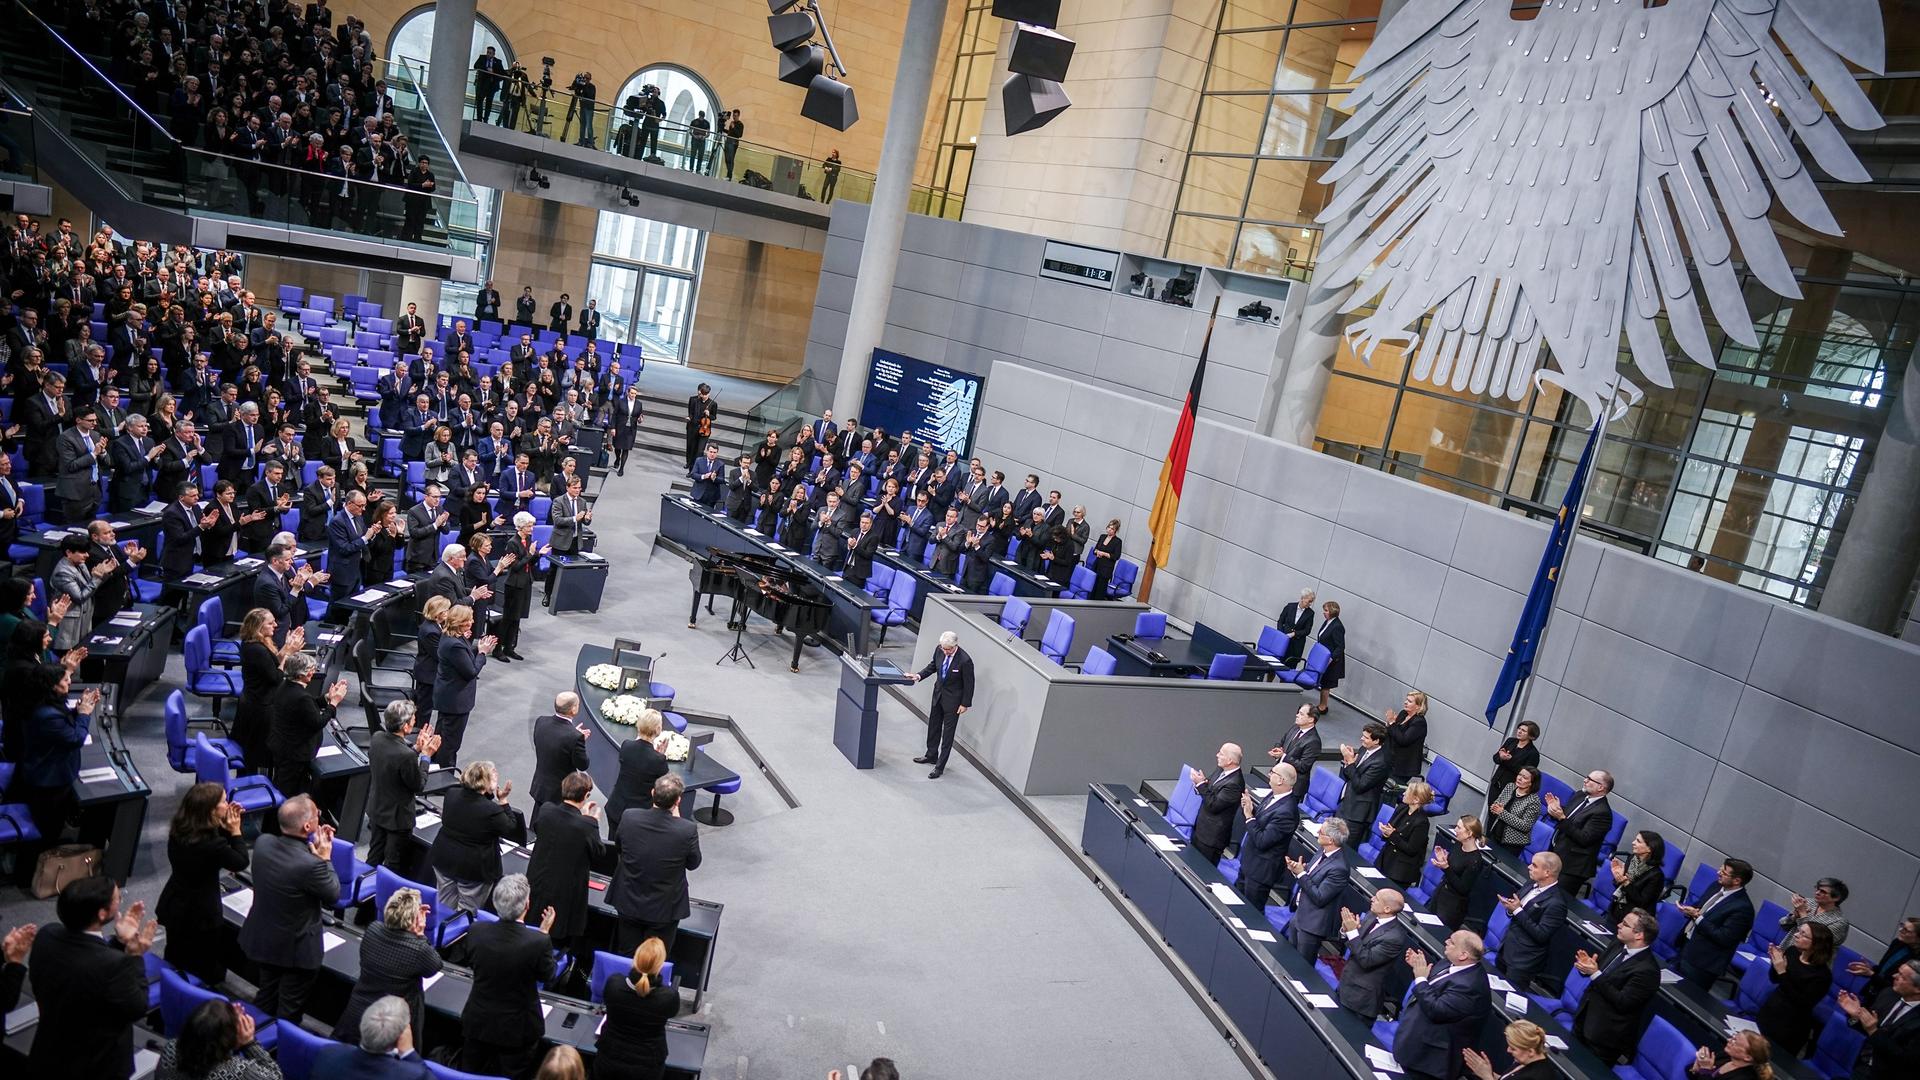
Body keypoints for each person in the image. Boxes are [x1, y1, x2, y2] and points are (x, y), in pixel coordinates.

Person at [27, 876, 155, 1079]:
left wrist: (119, 944)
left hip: (48, 1052)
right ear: (103, 913)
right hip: (96, 1066)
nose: (120, 899)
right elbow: (138, 1006)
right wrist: (135, 955)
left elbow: (87, 964)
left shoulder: (46, 934)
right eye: (117, 898)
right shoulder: (115, 966)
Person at [239, 796, 339, 1020]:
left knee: (265, 995)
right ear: (308, 826)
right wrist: (325, 859)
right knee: (289, 1010)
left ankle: (253, 1040)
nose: (319, 815)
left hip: (264, 939)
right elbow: (333, 894)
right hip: (296, 950)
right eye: (316, 814)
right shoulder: (312, 865)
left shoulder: (263, 843)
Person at [461, 873, 557, 1078]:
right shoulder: (538, 942)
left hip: (478, 1022)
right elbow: (548, 975)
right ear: (527, 905)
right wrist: (544, 933)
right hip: (517, 1033)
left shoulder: (476, 931)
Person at [155, 783, 251, 985]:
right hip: (200, 912)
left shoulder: (180, 828)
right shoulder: (211, 845)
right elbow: (240, 861)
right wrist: (235, 831)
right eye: (223, 801)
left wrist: (222, 827)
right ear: (210, 810)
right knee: (203, 963)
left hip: (175, 902)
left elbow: (211, 851)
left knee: (175, 953)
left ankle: (173, 986)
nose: (228, 804)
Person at [331, 887, 443, 1048]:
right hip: (389, 1024)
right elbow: (435, 965)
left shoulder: (373, 929)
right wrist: (420, 934)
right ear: (413, 921)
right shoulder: (419, 949)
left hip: (356, 1013)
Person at [527, 770, 605, 984]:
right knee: (556, 940)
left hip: (537, 883)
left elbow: (540, 828)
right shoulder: (586, 826)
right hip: (565, 895)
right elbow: (599, 855)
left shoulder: (546, 810)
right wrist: (593, 822)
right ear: (586, 795)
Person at [610, 774, 703, 954]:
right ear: (678, 801)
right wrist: (677, 820)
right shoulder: (686, 830)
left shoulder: (629, 817)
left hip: (629, 900)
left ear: (653, 793)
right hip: (664, 909)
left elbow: (619, 847)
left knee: (627, 954)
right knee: (655, 960)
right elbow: (693, 863)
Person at [1394, 929, 1493, 1080]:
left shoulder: (1470, 987)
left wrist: (1420, 978)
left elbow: (1437, 1011)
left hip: (1429, 1060)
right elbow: (1434, 984)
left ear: (1463, 955)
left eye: (1452, 942)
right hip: (1414, 1039)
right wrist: (1418, 967)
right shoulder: (1450, 961)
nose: (1446, 941)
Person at [431, 760, 526, 916]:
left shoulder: (451, 794)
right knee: (466, 914)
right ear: (485, 783)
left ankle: (441, 935)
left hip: (444, 859)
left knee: (444, 905)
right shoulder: (491, 810)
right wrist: (503, 800)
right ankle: (459, 938)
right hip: (473, 870)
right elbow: (511, 829)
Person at [18, 665, 99, 848]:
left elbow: (60, 726)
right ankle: (39, 864)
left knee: (51, 825)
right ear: (52, 685)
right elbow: (75, 738)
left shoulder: (42, 702)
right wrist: (84, 715)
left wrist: (77, 711)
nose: (69, 681)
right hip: (49, 781)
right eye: (64, 679)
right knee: (47, 831)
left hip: (47, 774)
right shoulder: (46, 714)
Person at [1570, 906, 1662, 1063]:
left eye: (1625, 924)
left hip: (1604, 1038)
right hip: (1583, 1019)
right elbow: (1599, 972)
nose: (1619, 925)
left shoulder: (1648, 971)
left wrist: (1595, 974)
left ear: (1639, 935)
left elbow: (1623, 1002)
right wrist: (1587, 968)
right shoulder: (1618, 945)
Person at [594, 936, 681, 1080]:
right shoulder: (669, 997)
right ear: (659, 967)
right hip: (648, 1066)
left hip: (609, 1058)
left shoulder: (614, 984)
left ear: (635, 959)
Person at [367, 701, 439, 868]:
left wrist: (416, 749)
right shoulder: (405, 756)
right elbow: (418, 785)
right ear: (406, 727)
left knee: (374, 856)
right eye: (413, 719)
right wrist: (426, 757)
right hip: (397, 819)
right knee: (393, 863)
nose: (415, 722)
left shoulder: (377, 737)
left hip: (377, 809)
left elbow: (393, 763)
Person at [266, 652, 348, 797]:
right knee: (286, 792)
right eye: (311, 669)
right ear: (302, 674)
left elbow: (308, 707)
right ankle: (279, 818)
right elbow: (318, 722)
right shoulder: (301, 696)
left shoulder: (286, 686)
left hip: (281, 746)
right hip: (294, 753)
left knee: (281, 783)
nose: (312, 672)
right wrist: (334, 703)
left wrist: (327, 697)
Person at [235, 608, 302, 773]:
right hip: (259, 709)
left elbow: (271, 666)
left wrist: (286, 649)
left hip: (256, 701)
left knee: (251, 753)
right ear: (258, 627)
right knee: (252, 754)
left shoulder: (260, 643)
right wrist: (289, 653)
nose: (276, 625)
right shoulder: (255, 649)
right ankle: (248, 788)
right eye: (270, 623)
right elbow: (276, 678)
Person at [1675, 858, 1757, 989]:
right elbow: (1700, 906)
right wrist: (1689, 910)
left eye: (1724, 872)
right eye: (1720, 869)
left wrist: (1698, 917)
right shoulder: (1716, 886)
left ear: (1737, 881)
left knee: (1686, 998)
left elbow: (1724, 937)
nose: (1718, 873)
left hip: (1703, 962)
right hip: (1686, 946)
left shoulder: (1743, 908)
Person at [1756, 920, 1835, 1054]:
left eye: (1803, 934)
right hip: (1770, 1012)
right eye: (1799, 931)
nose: (1796, 935)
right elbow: (1775, 979)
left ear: (1816, 944)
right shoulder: (1792, 951)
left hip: (1790, 1026)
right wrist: (1776, 963)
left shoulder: (1822, 976)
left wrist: (1781, 971)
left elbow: (1801, 1003)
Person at [155, 999, 280, 1080]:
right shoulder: (239, 1072)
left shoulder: (171, 1048)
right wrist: (249, 1044)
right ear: (229, 1041)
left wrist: (228, 1019)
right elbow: (276, 1077)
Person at [1497, 851, 1568, 992]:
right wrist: (1511, 909)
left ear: (1547, 872)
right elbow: (1517, 910)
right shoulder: (1531, 884)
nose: (1529, 867)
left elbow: (1541, 934)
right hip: (1507, 948)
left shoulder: (1556, 904)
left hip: (1523, 961)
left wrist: (1517, 910)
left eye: (1534, 865)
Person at [1838, 958, 1920, 1080]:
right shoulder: (1888, 994)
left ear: (1918, 989)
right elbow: (1868, 1027)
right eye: (1898, 972)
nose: (1894, 976)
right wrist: (1856, 1016)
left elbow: (1906, 1060)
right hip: (1863, 1065)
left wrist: (1874, 1031)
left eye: (1902, 977)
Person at [433, 604, 494, 766]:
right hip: (455, 701)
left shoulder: (453, 637)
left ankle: (434, 766)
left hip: (448, 697)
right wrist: (482, 652)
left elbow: (463, 656)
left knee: (442, 736)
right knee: (450, 743)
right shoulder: (454, 644)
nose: (472, 622)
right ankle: (443, 777)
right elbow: (471, 671)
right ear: (460, 622)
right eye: (469, 620)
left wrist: (476, 648)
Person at [908, 630, 974, 779]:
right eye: (943, 648)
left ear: (955, 646)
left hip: (954, 702)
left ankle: (940, 766)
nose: (945, 652)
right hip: (938, 696)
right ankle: (931, 755)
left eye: (948, 649)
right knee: (933, 726)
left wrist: (965, 703)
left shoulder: (965, 660)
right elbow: (932, 667)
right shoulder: (939, 650)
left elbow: (969, 684)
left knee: (947, 735)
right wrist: (918, 676)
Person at [315, 995, 431, 1079]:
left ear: (362, 1024)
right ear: (401, 1037)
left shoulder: (328, 1052)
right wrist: (408, 1052)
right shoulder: (413, 1075)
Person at [1236, 763, 1300, 913]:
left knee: (1251, 913)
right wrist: (1251, 808)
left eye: (1273, 772)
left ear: (1281, 780)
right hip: (1249, 862)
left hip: (1261, 871)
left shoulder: (1287, 812)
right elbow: (1263, 819)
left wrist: (1249, 816)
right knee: (1238, 907)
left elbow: (1262, 840)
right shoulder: (1273, 795)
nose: (1269, 774)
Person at [1337, 889, 1410, 1019]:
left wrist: (1352, 932)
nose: (1372, 899)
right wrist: (1345, 930)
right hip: (1346, 982)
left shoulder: (1394, 937)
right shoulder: (1372, 915)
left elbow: (1366, 960)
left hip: (1361, 999)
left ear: (1387, 909)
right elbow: (1354, 943)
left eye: (1376, 898)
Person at [1545, 768, 1614, 900]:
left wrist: (1561, 818)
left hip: (1572, 866)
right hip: (1556, 853)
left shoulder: (1603, 813)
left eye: (1589, 779)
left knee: (1555, 900)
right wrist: (1555, 810)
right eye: (1586, 777)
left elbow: (1584, 838)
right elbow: (1569, 817)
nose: (1585, 780)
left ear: (1601, 787)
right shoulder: (1580, 795)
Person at [1287, 819, 1351, 960]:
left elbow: (1320, 897)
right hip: (1299, 914)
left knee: (1302, 966)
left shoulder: (1340, 868)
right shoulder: (1322, 850)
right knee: (1289, 958)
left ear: (1331, 840)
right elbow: (1311, 873)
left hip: (1312, 925)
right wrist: (1298, 869)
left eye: (1321, 832)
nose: (1317, 833)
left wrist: (1301, 874)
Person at [606, 708, 671, 831]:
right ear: (657, 729)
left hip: (616, 807)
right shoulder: (658, 760)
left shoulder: (626, 746)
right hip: (638, 816)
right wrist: (660, 756)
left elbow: (638, 760)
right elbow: (664, 783)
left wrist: (657, 755)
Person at [531, 692, 592, 809]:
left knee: (537, 822)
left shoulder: (541, 721)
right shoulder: (575, 737)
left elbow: (548, 743)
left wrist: (573, 733)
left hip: (540, 787)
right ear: (573, 710)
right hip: (559, 794)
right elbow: (583, 764)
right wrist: (579, 739)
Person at [1187, 743, 1246, 864]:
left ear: (1230, 760)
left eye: (1221, 753)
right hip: (1200, 828)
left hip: (1211, 838)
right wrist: (1203, 781)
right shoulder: (1220, 770)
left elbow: (1214, 805)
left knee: (1202, 872)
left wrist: (1200, 784)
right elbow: (1210, 788)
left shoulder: (1235, 784)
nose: (1217, 755)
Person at [498, 512, 545, 662]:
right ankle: (498, 648)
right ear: (521, 527)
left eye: (532, 525)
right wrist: (531, 554)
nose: (532, 528)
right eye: (529, 526)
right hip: (514, 584)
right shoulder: (513, 543)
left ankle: (510, 648)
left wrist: (538, 555)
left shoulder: (528, 539)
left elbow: (528, 563)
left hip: (526, 582)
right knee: (508, 618)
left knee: (517, 618)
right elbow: (516, 566)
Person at [1428, 816, 1488, 931]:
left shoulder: (1475, 860)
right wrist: (1444, 861)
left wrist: (1446, 868)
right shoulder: (1458, 845)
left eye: (1459, 828)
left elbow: (1463, 888)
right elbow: (1451, 869)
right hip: (1441, 893)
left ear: (1469, 833)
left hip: (1452, 906)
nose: (1455, 829)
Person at [1336, 722, 1390, 849]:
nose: (1361, 739)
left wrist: (1350, 763)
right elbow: (1351, 775)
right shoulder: (1363, 749)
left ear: (1376, 741)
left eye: (1366, 737)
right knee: (1334, 841)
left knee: (1345, 849)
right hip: (1346, 803)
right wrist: (1348, 763)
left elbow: (1360, 785)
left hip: (1357, 813)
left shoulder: (1381, 762)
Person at [1377, 780, 1435, 888]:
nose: (1403, 793)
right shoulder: (1402, 808)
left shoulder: (1422, 822)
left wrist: (1392, 835)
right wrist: (1385, 833)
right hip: (1386, 860)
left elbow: (1411, 849)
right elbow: (1391, 828)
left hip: (1400, 871)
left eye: (1407, 792)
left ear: (1416, 799)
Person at [1605, 831, 1669, 925]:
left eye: (1638, 841)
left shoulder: (1656, 876)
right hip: (1616, 909)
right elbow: (1620, 886)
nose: (1633, 842)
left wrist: (1626, 883)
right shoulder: (1632, 858)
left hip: (1634, 920)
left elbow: (1642, 902)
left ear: (1650, 848)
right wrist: (1617, 877)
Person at [1462, 1020, 1556, 1080]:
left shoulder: (1538, 1076)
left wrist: (1487, 1077)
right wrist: (1487, 1071)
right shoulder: (1526, 1061)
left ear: (1530, 1051)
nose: (1508, 1050)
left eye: (1513, 1048)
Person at [1854, 917, 1920, 1002]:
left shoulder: (1916, 961)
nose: (1900, 930)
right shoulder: (1897, 943)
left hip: (1888, 998)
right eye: (1902, 926)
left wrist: (1872, 974)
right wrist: (1869, 969)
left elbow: (1897, 984)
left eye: (1906, 930)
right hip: (1872, 989)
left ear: (1918, 938)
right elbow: (1883, 970)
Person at [410, 596, 451, 731]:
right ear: (439, 613)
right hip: (428, 674)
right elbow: (439, 654)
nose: (448, 612)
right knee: (424, 709)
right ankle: (419, 734)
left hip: (428, 671)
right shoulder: (430, 631)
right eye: (446, 610)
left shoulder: (435, 626)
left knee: (423, 706)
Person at [1268, 703, 1321, 800]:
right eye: (1298, 713)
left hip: (1294, 787)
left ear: (1311, 719)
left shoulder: (1314, 741)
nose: (1297, 715)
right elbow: (1281, 742)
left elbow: (1303, 766)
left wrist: (1283, 756)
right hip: (1279, 779)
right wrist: (1277, 749)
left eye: (1301, 714)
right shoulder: (1295, 728)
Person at [1487, 720, 1541, 814]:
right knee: (1491, 811)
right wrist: (1501, 757)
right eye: (1519, 728)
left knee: (1499, 815)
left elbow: (1526, 774)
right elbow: (1495, 758)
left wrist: (1509, 760)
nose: (1519, 731)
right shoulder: (1511, 741)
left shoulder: (1533, 753)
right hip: (1496, 783)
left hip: (1511, 789)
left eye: (1523, 730)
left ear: (1531, 735)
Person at [1781, 877, 1851, 949]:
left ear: (1836, 898)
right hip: (1785, 951)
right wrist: (1795, 916)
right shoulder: (1808, 903)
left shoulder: (1839, 922)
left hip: (1808, 959)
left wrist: (1802, 914)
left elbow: (1814, 944)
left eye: (1823, 892)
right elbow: (1783, 925)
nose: (1817, 893)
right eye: (1817, 889)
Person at [1487, 766, 1543, 851]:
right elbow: (1498, 802)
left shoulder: (1534, 801)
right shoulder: (1510, 787)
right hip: (1495, 832)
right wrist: (1494, 808)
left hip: (1512, 844)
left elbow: (1526, 826)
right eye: (1520, 775)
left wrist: (1502, 813)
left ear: (1531, 783)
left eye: (1524, 778)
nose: (1520, 778)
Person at [1687, 1031, 1775, 1080]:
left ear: (1747, 1057)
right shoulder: (1727, 1055)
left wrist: (1705, 1069)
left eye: (1735, 1042)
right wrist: (1695, 1070)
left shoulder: (1745, 1078)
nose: (1729, 1040)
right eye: (1733, 1037)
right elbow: (1689, 1071)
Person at [1383, 690, 1429, 784]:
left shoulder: (1419, 723)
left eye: (1409, 701)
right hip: (1389, 759)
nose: (1405, 702)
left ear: (1418, 706)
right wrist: (1389, 725)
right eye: (1406, 699)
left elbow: (1403, 740)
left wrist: (1392, 723)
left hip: (1402, 767)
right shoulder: (1403, 713)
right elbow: (1393, 733)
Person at [1314, 600, 1346, 714]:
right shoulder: (1328, 622)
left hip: (1332, 661)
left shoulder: (1337, 626)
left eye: (1326, 610)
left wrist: (1330, 658)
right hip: (1324, 658)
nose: (1324, 612)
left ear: (1332, 612)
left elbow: (1340, 646)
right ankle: (1321, 705)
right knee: (1323, 682)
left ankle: (1323, 707)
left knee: (1326, 684)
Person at [1274, 587, 1316, 666]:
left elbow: (1307, 630)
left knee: (1289, 668)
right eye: (1309, 601)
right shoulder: (1290, 606)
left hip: (1296, 646)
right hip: (1283, 641)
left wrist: (1294, 634)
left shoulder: (1310, 613)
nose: (1310, 604)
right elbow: (1280, 621)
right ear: (1303, 598)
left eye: (1311, 602)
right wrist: (1281, 634)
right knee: (1274, 666)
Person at [1088, 518, 1122, 600]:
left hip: (1106, 568)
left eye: (1112, 529)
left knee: (1100, 589)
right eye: (1109, 527)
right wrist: (1097, 552)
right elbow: (1095, 550)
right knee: (1092, 586)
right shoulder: (1102, 536)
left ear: (1115, 531)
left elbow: (1116, 556)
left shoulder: (1117, 541)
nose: (1109, 530)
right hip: (1097, 564)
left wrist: (1104, 554)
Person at [684, 382, 716, 467]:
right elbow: (691, 412)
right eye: (702, 394)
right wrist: (689, 418)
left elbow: (714, 417)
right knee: (691, 448)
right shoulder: (695, 401)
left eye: (706, 394)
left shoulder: (713, 404)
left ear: (709, 394)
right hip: (694, 427)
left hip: (705, 430)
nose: (704, 396)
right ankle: (690, 464)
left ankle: (696, 467)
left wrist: (709, 414)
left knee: (700, 451)